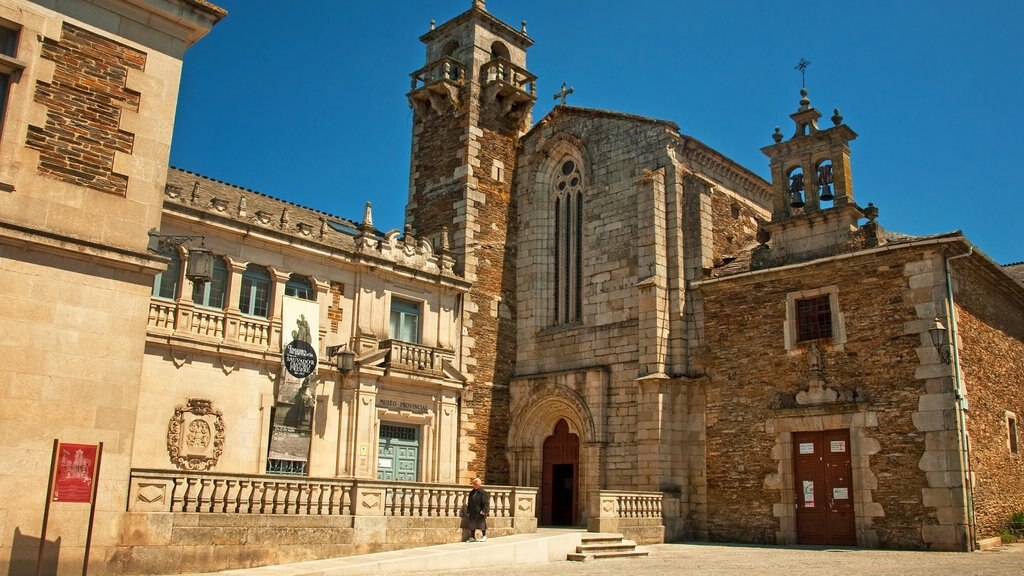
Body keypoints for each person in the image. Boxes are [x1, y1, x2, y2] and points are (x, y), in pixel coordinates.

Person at [465, 477, 489, 542]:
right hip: (473, 511)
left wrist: (484, 510)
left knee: (482, 524)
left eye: (476, 484)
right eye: (474, 484)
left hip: (480, 511)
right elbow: (469, 502)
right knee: (472, 524)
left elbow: (485, 502)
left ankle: (484, 536)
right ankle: (472, 537)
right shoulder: (472, 492)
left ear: (479, 484)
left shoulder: (482, 492)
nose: (475, 485)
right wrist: (468, 510)